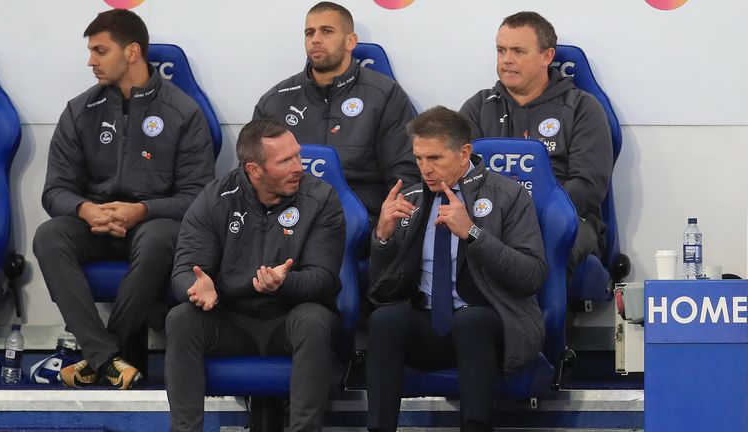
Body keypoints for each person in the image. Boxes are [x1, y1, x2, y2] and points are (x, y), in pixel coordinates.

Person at [32, 9, 214, 390]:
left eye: (100, 51)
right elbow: (55, 190)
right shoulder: (80, 111)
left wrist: (143, 210)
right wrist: (84, 209)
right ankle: (107, 356)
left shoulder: (183, 112)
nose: (90, 61)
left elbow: (199, 196)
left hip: (153, 225)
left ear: (132, 52)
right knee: (49, 235)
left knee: (158, 238)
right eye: (91, 51)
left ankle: (97, 359)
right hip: (96, 225)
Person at [366, 106, 547, 431]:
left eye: (435, 158)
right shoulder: (411, 199)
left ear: (464, 153)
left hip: (493, 327)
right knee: (384, 320)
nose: (425, 169)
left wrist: (474, 234)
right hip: (429, 325)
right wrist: (382, 236)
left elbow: (531, 275)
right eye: (419, 159)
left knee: (471, 320)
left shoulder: (508, 195)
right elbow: (381, 288)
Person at [164, 118, 345, 432]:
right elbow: (184, 270)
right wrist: (197, 287)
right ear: (254, 169)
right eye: (285, 161)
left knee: (314, 319)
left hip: (289, 318)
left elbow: (324, 279)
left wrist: (285, 283)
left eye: (297, 155)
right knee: (181, 318)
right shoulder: (215, 198)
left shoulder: (321, 198)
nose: (298, 167)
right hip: (231, 321)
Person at [459, 11, 613, 274]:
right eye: (501, 50)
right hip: (488, 217)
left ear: (547, 56)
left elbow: (588, 185)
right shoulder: (477, 107)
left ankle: (546, 317)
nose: (506, 60)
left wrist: (528, 217)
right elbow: (456, 173)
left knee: (546, 243)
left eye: (518, 51)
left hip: (564, 218)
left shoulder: (582, 108)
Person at [253, 1, 420, 225]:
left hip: (359, 217)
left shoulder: (384, 94)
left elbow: (404, 174)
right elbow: (253, 172)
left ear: (351, 41)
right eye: (309, 33)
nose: (316, 39)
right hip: (287, 213)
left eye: (327, 31)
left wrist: (391, 226)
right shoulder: (276, 100)